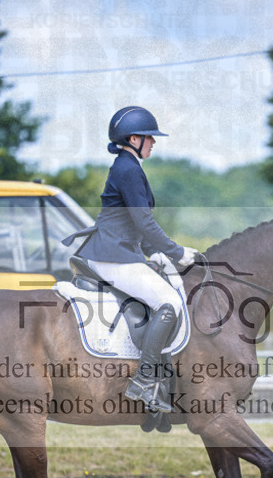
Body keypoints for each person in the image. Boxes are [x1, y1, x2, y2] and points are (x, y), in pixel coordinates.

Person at [63, 106, 198, 413]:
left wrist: (152, 255)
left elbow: (133, 225)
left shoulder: (126, 166)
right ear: (134, 138)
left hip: (119, 251)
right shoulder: (128, 169)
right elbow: (144, 222)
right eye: (150, 138)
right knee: (170, 303)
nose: (154, 143)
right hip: (113, 256)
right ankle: (145, 381)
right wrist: (177, 252)